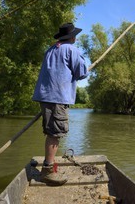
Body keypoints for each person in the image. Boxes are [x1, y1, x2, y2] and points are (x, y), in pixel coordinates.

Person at [32, 22, 89, 185]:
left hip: (45, 97)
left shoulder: (50, 50)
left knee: (51, 131)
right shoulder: (72, 50)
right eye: (75, 36)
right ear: (72, 37)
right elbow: (81, 73)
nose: (75, 38)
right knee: (55, 133)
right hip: (57, 97)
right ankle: (48, 172)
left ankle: (49, 167)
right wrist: (85, 68)